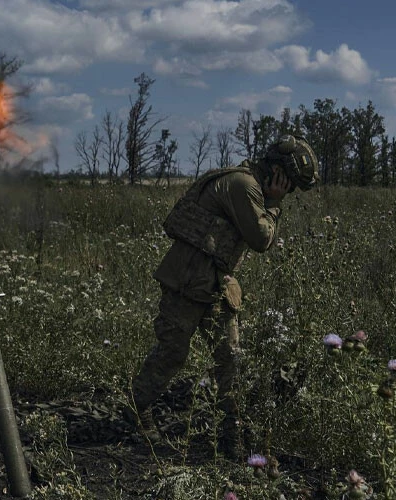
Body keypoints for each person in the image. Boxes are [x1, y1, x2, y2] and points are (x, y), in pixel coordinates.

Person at [125, 135, 319, 458]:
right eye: (291, 185)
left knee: (229, 359)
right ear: (278, 172)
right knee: (172, 352)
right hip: (187, 281)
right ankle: (137, 408)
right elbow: (261, 238)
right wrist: (273, 205)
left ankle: (233, 434)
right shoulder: (243, 185)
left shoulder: (251, 185)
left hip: (216, 285)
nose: (290, 192)